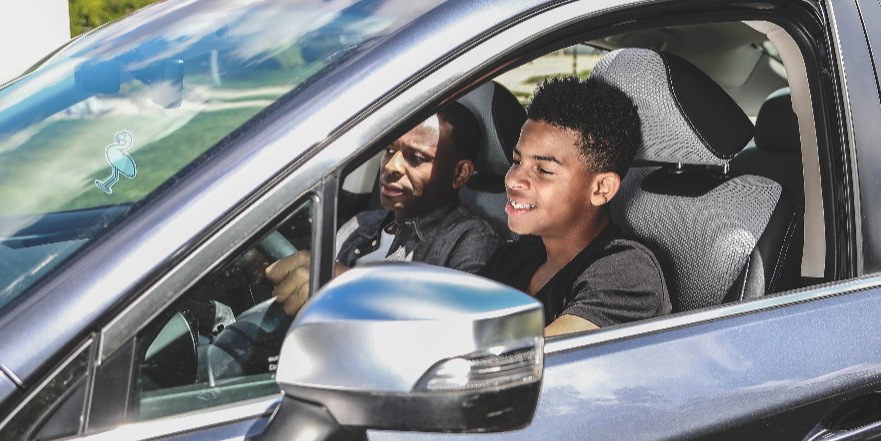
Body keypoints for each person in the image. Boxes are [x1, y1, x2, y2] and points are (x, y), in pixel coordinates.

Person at [266, 103, 499, 314]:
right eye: (389, 149)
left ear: (459, 174)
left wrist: (344, 280)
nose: (391, 166)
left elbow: (455, 323)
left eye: (415, 158)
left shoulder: (470, 237)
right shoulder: (360, 225)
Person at [483, 76, 671, 336]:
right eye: (517, 161)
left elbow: (525, 363)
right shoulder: (513, 258)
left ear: (600, 189)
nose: (513, 179)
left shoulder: (627, 273)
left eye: (543, 170)